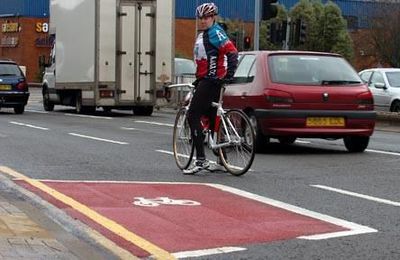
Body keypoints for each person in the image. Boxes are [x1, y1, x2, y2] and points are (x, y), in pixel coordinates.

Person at [183, 2, 238, 175]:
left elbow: (232, 52)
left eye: (206, 17)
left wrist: (229, 74)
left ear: (213, 17)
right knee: (212, 119)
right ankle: (222, 160)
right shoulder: (204, 34)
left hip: (211, 81)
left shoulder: (215, 33)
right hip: (206, 81)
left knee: (193, 115)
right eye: (200, 18)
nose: (203, 21)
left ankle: (200, 160)